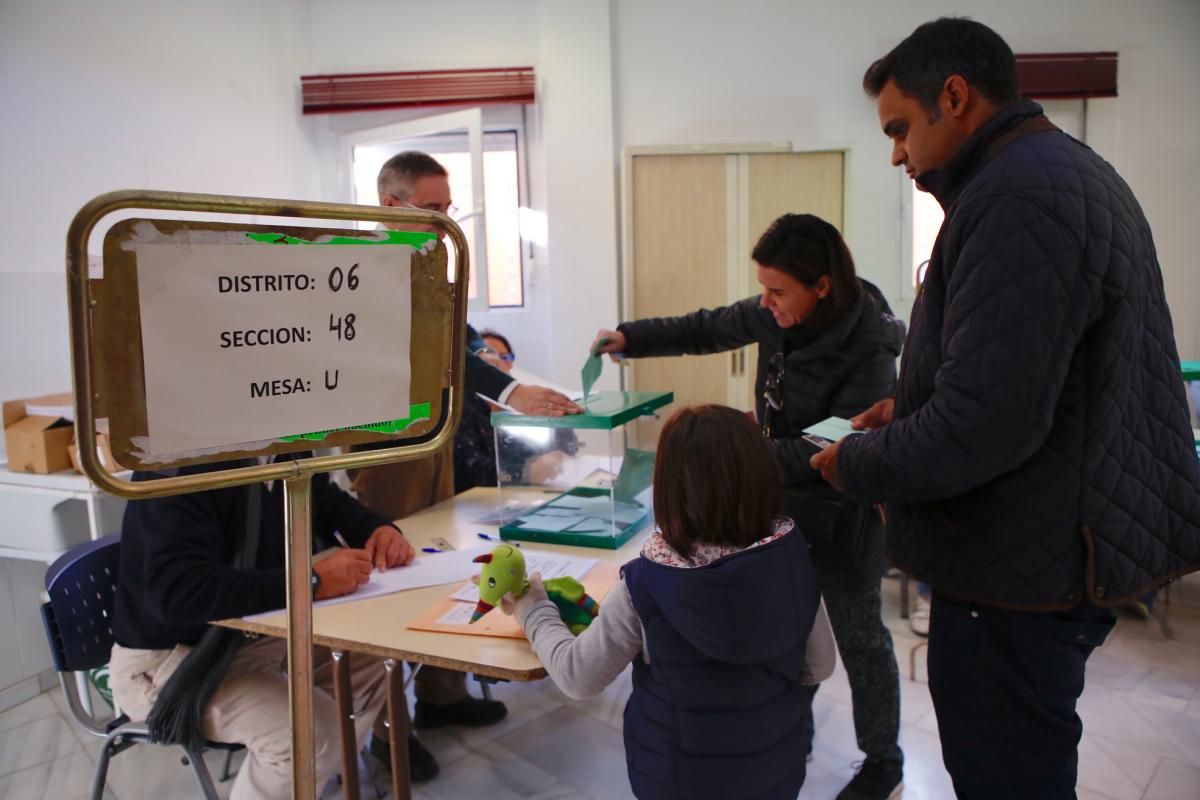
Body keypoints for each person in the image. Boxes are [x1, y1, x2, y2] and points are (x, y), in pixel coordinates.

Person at [811, 17, 1200, 799]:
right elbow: (1034, 383)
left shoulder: (1019, 196)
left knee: (1008, 773)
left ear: (953, 97)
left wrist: (854, 463)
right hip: (1047, 544)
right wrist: (908, 405)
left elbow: (986, 423)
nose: (896, 154)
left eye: (899, 128)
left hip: (1018, 573)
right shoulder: (1060, 172)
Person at [593, 213, 906, 800]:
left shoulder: (869, 347)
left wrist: (744, 454)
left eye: (779, 292)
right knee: (786, 638)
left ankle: (883, 762)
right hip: (777, 515)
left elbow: (828, 447)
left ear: (822, 286)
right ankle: (796, 734)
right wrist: (632, 337)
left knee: (860, 644)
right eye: (763, 288)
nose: (767, 303)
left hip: (842, 519)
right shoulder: (774, 310)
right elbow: (708, 328)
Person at [349, 151, 583, 775]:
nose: (445, 223)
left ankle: (442, 696)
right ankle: (385, 731)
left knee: (445, 566)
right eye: (432, 210)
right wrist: (510, 392)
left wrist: (515, 389)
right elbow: (443, 353)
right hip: (385, 453)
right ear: (390, 208)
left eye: (450, 210)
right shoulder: (363, 274)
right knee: (389, 587)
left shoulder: (429, 268)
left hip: (434, 443)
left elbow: (461, 348)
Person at [504, 404, 836, 799]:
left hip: (678, 779)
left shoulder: (645, 584)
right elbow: (819, 665)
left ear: (669, 488)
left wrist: (533, 609)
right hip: (773, 772)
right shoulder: (791, 562)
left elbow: (578, 676)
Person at [108, 459, 421, 798]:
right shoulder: (175, 462)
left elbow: (323, 500)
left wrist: (378, 531)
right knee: (309, 736)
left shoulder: (275, 441)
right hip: (171, 662)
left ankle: (312, 775)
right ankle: (306, 764)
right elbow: (176, 592)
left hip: (249, 636)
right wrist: (310, 582)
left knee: (372, 652)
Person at [453, 328, 576, 493]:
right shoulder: (463, 408)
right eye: (484, 363)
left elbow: (563, 445)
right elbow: (471, 469)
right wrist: (524, 472)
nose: (496, 365)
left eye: (503, 357)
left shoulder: (525, 402)